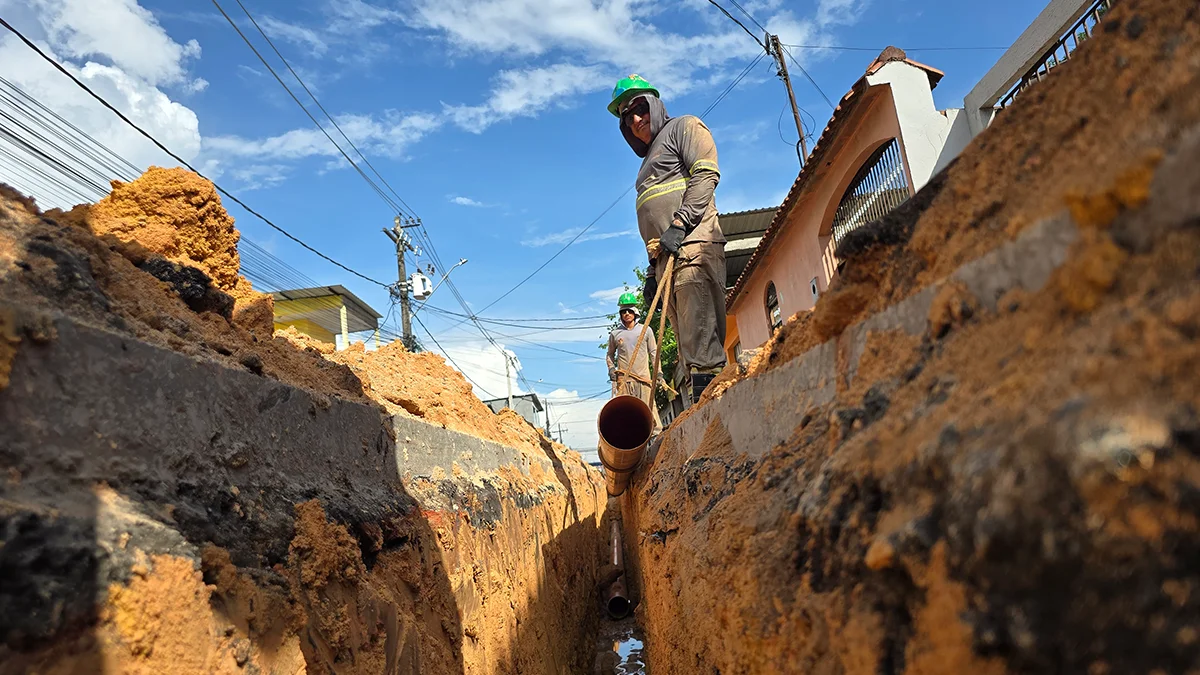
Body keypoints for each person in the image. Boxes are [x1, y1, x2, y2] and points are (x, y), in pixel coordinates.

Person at [609, 74, 727, 406]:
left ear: (655, 105)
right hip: (666, 262)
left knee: (702, 346)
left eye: (639, 109)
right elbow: (652, 223)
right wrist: (650, 273)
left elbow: (706, 175)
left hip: (692, 249)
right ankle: (706, 424)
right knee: (689, 352)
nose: (635, 120)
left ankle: (718, 422)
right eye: (626, 117)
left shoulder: (684, 128)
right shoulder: (645, 164)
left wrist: (680, 224)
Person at [606, 292, 663, 435]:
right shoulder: (615, 334)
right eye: (623, 311)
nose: (626, 314)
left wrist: (659, 372)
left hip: (643, 379)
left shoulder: (646, 330)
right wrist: (611, 368)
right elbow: (609, 355)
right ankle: (629, 442)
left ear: (635, 312)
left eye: (629, 310)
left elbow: (654, 353)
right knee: (626, 414)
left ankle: (656, 438)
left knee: (649, 410)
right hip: (624, 382)